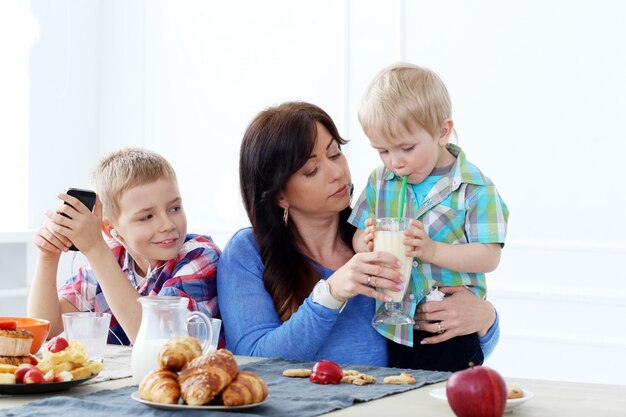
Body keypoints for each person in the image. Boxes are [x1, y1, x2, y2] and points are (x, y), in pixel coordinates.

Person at [217, 101, 500, 366]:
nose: (337, 173)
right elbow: (254, 362)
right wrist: (332, 293)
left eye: (335, 153)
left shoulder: (379, 239)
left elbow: (441, 359)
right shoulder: (246, 252)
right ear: (280, 195)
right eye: (312, 170)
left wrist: (485, 320)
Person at [349, 63, 509, 371]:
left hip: (450, 327)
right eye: (382, 151)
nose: (394, 161)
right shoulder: (380, 182)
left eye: (406, 148)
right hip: (394, 327)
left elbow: (489, 256)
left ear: (441, 132)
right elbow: (357, 236)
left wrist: (432, 250)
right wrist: (365, 242)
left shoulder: (475, 189)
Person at [27, 147, 221, 345]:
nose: (168, 225)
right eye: (147, 217)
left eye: (174, 208)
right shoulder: (111, 258)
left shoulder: (200, 256)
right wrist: (48, 256)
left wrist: (96, 250)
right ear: (112, 229)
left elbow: (161, 345)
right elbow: (46, 327)